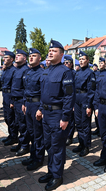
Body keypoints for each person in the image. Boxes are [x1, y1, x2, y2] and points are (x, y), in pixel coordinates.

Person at [37, 40, 75, 190]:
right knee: (48, 145)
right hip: (46, 113)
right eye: (50, 50)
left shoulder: (65, 72)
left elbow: (69, 97)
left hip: (58, 114)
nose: (50, 52)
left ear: (61, 54)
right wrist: (40, 108)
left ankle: (57, 176)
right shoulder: (46, 70)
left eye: (54, 50)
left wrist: (65, 117)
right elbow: (43, 93)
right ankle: (51, 171)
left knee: (57, 146)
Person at [22, 48, 45, 171]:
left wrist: (41, 109)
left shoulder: (42, 73)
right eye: (30, 56)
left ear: (39, 58)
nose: (31, 57)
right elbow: (26, 89)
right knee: (30, 133)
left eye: (34, 55)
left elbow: (44, 93)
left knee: (38, 134)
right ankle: (33, 155)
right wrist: (24, 102)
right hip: (28, 105)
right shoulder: (28, 72)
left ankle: (39, 158)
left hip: (36, 106)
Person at [72, 51, 95, 157]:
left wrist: (89, 105)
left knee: (85, 124)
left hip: (85, 99)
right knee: (78, 123)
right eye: (80, 59)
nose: (81, 61)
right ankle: (81, 144)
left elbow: (91, 90)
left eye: (83, 59)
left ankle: (86, 146)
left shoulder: (90, 73)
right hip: (77, 99)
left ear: (87, 60)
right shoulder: (77, 72)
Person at [9, 49, 31, 157]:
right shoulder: (17, 70)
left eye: (19, 55)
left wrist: (24, 103)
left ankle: (25, 146)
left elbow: (26, 89)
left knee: (23, 125)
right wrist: (12, 101)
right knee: (18, 123)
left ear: (24, 58)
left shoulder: (26, 70)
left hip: (22, 102)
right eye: (16, 55)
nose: (16, 57)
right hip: (16, 101)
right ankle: (20, 143)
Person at [1, 52, 17, 145]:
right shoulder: (5, 70)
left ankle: (14, 136)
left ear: (11, 59)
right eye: (4, 57)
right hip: (4, 95)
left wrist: (12, 101)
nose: (4, 59)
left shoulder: (14, 70)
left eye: (6, 57)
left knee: (11, 118)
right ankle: (11, 134)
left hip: (10, 96)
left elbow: (13, 87)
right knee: (7, 117)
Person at [63, 55, 76, 146]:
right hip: (63, 100)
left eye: (67, 63)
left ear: (71, 64)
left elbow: (73, 90)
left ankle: (69, 137)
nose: (66, 64)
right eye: (64, 62)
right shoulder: (62, 72)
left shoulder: (74, 73)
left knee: (70, 120)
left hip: (71, 100)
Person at [92, 57, 106, 136]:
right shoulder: (96, 73)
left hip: (103, 97)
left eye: (102, 63)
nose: (100, 65)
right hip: (96, 96)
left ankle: (101, 130)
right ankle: (98, 128)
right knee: (96, 114)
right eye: (99, 63)